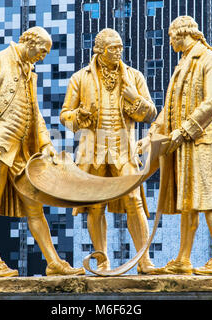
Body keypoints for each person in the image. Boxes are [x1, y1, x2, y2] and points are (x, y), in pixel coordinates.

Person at [0, 26, 85, 278]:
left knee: (36, 209)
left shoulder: (29, 73)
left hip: (23, 153)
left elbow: (34, 114)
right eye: (42, 50)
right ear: (29, 41)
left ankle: (54, 262)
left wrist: (45, 143)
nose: (43, 56)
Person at [136, 16, 212, 276]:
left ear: (181, 33)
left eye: (170, 36)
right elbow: (169, 108)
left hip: (201, 141)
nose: (169, 41)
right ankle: (183, 259)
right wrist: (153, 132)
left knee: (211, 201)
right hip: (182, 144)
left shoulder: (210, 60)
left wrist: (184, 130)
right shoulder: (183, 64)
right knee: (188, 203)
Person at [60, 28, 157, 274]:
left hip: (123, 148)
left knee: (134, 201)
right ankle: (103, 261)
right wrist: (78, 117)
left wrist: (135, 99)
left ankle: (143, 261)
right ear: (100, 50)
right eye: (113, 47)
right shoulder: (80, 78)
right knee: (95, 205)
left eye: (120, 47)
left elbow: (150, 114)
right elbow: (65, 116)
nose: (118, 51)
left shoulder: (133, 77)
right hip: (92, 149)